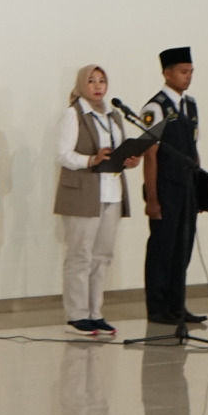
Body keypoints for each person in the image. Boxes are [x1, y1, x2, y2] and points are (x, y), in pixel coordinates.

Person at [55, 64, 138, 337]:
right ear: (82, 84)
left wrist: (129, 160)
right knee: (79, 256)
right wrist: (92, 159)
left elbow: (116, 153)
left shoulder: (113, 116)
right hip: (82, 194)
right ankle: (76, 315)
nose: (98, 86)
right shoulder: (73, 114)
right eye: (91, 80)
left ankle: (95, 312)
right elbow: (63, 155)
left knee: (103, 256)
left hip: (112, 192)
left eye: (102, 80)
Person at [140, 47, 207, 326]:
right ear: (167, 73)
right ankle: (158, 307)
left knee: (183, 247)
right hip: (165, 188)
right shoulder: (155, 108)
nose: (188, 77)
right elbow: (150, 155)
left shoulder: (190, 105)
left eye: (191, 72)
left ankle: (177, 305)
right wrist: (152, 198)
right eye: (183, 71)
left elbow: (193, 149)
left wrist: (198, 189)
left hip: (187, 188)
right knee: (162, 249)